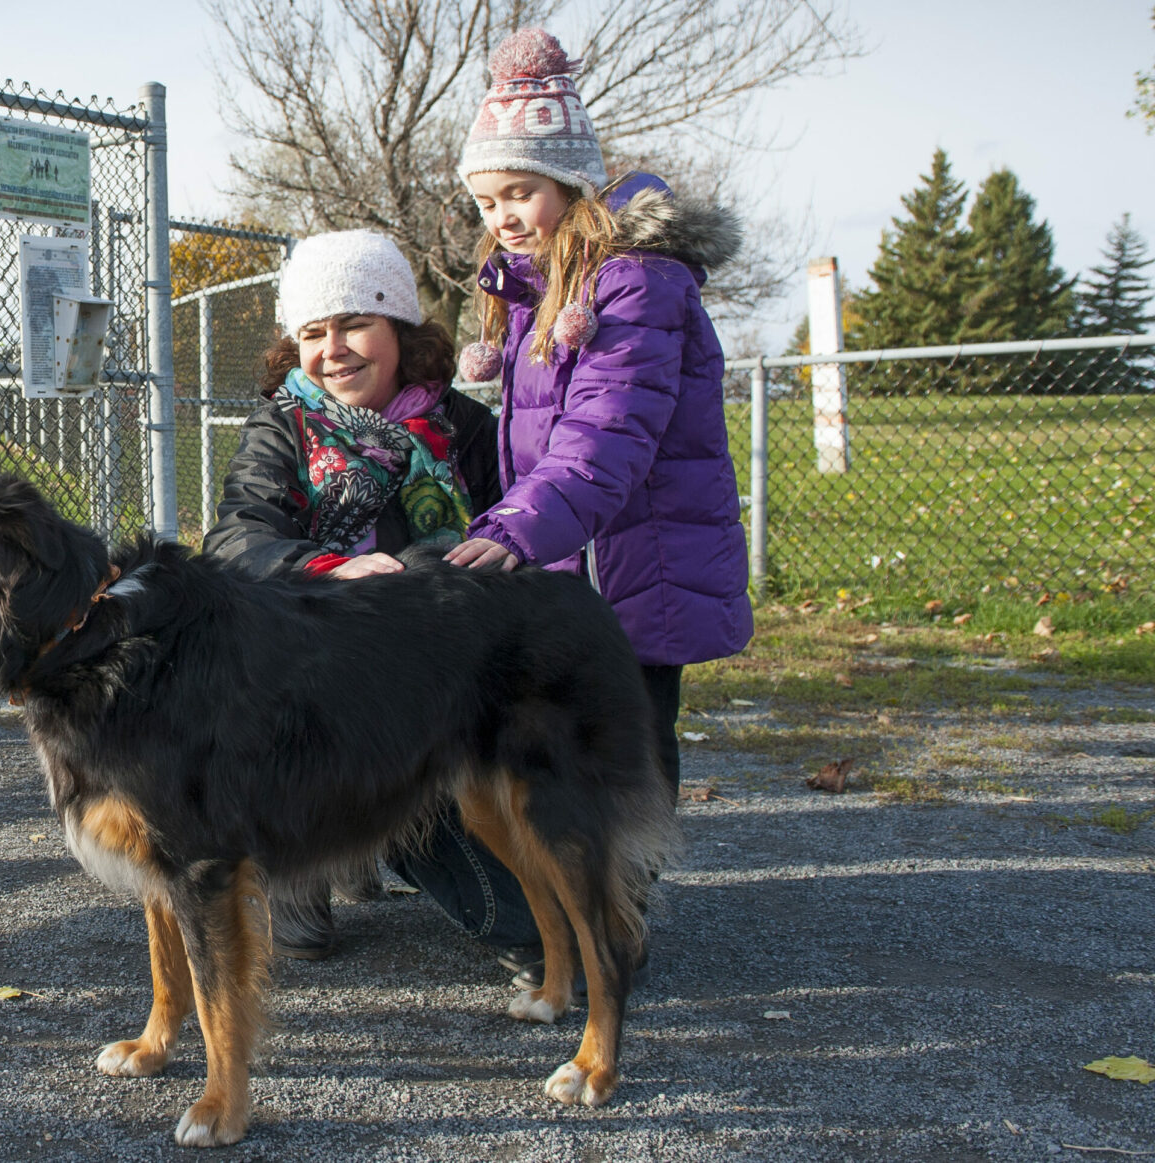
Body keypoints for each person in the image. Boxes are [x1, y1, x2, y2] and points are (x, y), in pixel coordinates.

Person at [418, 26, 754, 986]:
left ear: (572, 181)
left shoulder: (634, 284)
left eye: (519, 192)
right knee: (570, 751)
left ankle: (618, 930)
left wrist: (514, 533)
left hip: (636, 566)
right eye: (487, 200)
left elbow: (604, 442)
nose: (503, 216)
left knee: (628, 751)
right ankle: (589, 910)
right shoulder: (532, 294)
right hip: (573, 560)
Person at [198, 228, 503, 959]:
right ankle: (299, 876)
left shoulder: (462, 426)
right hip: (317, 657)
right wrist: (330, 567)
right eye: (313, 331)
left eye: (355, 324)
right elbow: (238, 536)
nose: (332, 348)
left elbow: (506, 523)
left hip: (437, 657)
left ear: (399, 328)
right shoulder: (284, 426)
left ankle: (386, 846)